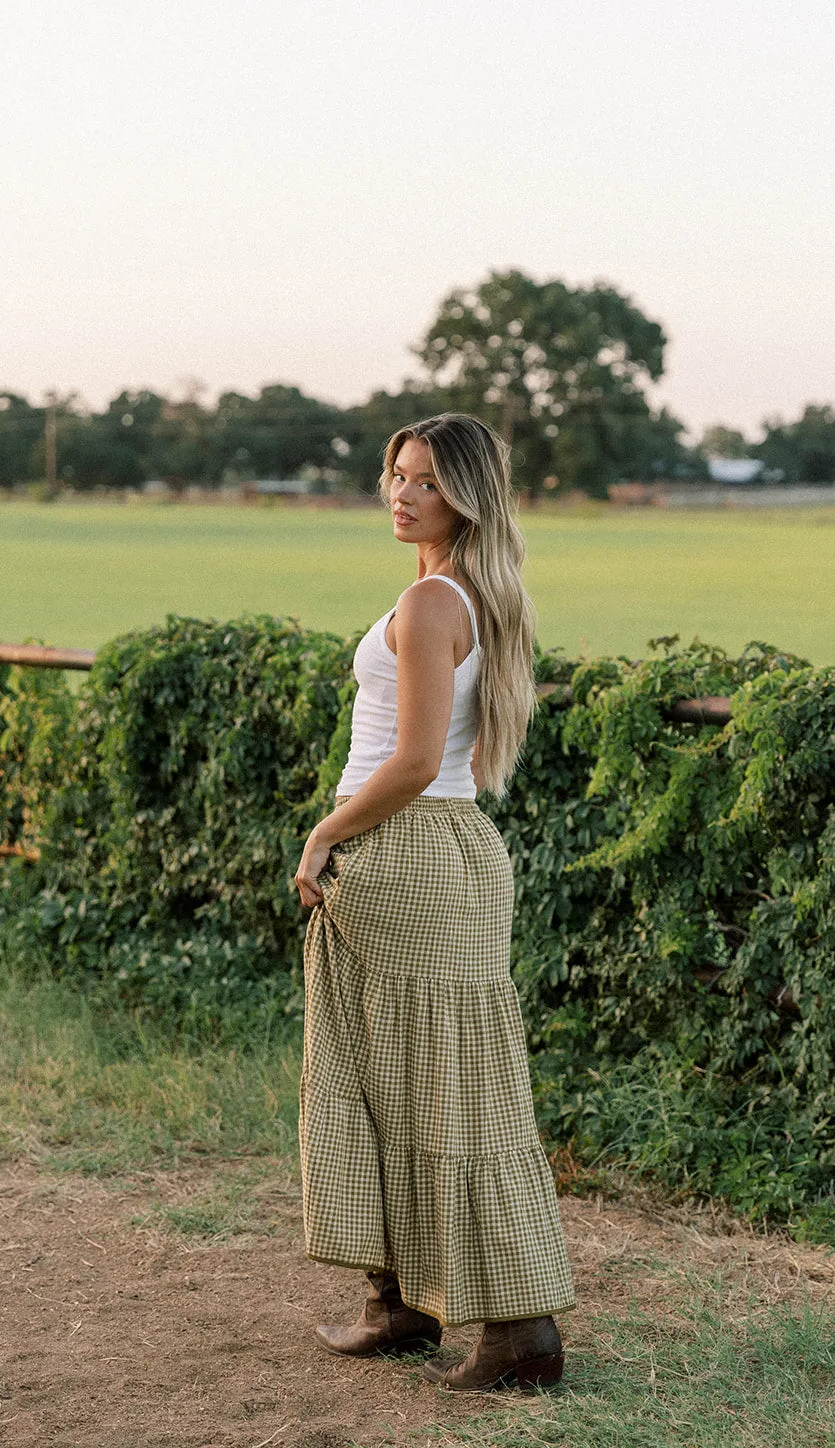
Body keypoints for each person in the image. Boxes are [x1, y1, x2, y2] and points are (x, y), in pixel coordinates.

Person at [295, 412, 575, 1392]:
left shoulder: (430, 605)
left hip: (406, 848)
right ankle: (404, 1299)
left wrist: (327, 832)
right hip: (442, 852)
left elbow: (413, 761)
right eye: (395, 476)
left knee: (434, 1085)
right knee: (394, 1075)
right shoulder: (461, 592)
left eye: (424, 481)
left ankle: (517, 1332)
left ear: (465, 494)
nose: (402, 494)